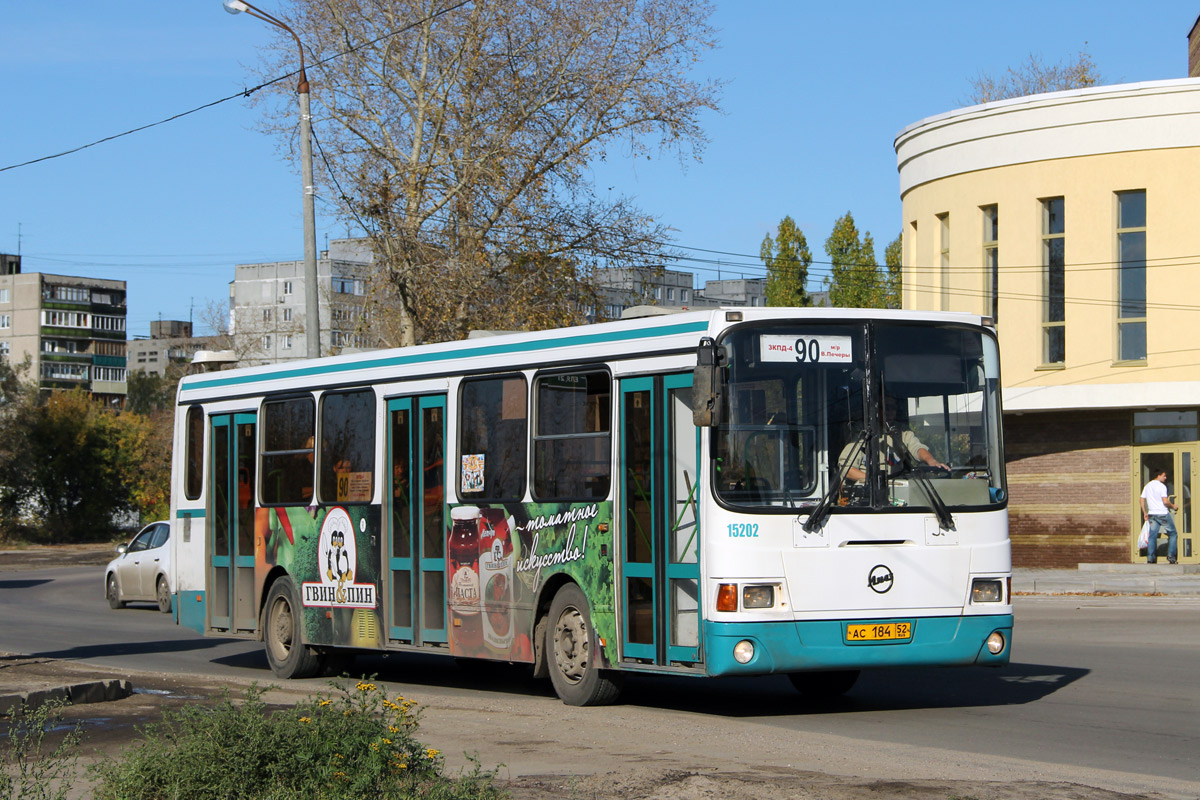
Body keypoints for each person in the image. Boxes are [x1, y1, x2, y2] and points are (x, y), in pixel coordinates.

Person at [839, 396, 949, 482]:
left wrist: (931, 461)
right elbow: (847, 469)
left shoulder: (900, 430)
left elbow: (917, 448)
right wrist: (876, 481)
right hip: (868, 494)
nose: (890, 412)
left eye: (893, 408)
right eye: (885, 407)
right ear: (875, 410)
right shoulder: (862, 432)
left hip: (897, 491)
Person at [1139, 469, 1179, 564]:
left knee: (1152, 536)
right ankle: (1171, 556)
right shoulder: (1162, 486)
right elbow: (1165, 501)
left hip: (1152, 514)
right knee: (1173, 534)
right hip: (1162, 514)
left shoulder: (1148, 486)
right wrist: (1173, 506)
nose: (1165, 478)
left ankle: (1150, 558)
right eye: (1164, 475)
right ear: (1158, 475)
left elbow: (1141, 499)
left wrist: (1145, 512)